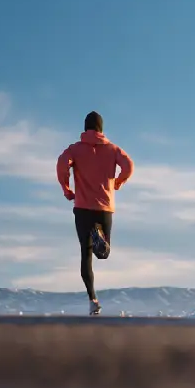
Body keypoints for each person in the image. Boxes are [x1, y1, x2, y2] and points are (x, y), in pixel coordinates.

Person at [56, 111, 134, 315]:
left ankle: (93, 300)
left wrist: (67, 189)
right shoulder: (113, 149)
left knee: (86, 254)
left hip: (82, 208)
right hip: (104, 208)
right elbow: (128, 165)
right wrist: (118, 182)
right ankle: (99, 237)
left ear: (85, 128)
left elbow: (61, 165)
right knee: (103, 253)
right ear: (101, 129)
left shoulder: (74, 149)